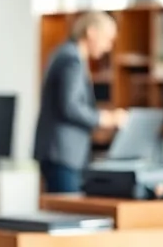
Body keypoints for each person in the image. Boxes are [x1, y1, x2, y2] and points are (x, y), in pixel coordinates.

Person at [32, 10, 127, 193]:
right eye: (107, 39)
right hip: (62, 153)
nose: (108, 47)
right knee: (68, 214)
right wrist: (106, 119)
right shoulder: (71, 59)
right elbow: (70, 106)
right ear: (91, 32)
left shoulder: (66, 54)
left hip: (60, 152)